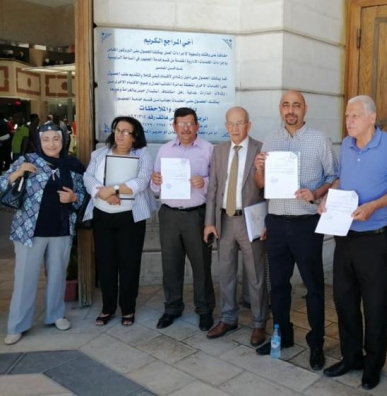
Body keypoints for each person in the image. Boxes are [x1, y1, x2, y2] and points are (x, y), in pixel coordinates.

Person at [320, 95, 387, 390]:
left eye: (355, 116)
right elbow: (341, 180)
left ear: (372, 118)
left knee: (375, 305)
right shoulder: (346, 145)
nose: (349, 121)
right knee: (345, 301)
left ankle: (373, 365)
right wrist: (328, 198)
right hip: (345, 235)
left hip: (374, 238)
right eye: (347, 116)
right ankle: (351, 358)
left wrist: (374, 205)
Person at [253, 90, 338, 370]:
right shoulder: (270, 140)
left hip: (306, 224)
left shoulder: (319, 139)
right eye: (286, 105)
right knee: (278, 285)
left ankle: (316, 343)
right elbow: (261, 184)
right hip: (277, 223)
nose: (291, 110)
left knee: (313, 287)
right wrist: (259, 168)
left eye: (296, 105)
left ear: (305, 109)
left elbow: (334, 176)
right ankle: (283, 335)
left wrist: (316, 193)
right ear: (280, 109)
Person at [1, 123, 86, 345]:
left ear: (64, 140)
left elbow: (83, 194)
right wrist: (17, 172)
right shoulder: (27, 160)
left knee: (58, 276)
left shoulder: (73, 165)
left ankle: (55, 315)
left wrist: (74, 198)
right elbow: (2, 185)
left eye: (56, 139)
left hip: (61, 229)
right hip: (29, 231)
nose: (51, 144)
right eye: (46, 139)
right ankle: (17, 325)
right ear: (39, 141)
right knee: (24, 279)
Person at [204, 107, 269, 346]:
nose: (234, 128)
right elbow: (213, 189)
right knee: (226, 273)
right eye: (230, 124)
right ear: (225, 126)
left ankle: (259, 323)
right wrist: (209, 222)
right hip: (224, 220)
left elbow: (268, 188)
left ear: (248, 125)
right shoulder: (219, 150)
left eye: (239, 123)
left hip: (250, 220)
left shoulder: (261, 149)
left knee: (256, 275)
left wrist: (267, 222)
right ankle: (228, 318)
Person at [83, 116, 156, 327]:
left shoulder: (142, 155)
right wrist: (102, 193)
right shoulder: (99, 153)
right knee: (106, 263)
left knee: (129, 264)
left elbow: (141, 182)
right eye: (117, 130)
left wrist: (113, 190)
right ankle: (107, 307)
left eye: (125, 132)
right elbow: (88, 178)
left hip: (130, 218)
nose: (120, 135)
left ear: (135, 137)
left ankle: (128, 308)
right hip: (102, 215)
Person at [151, 107, 216, 331]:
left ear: (197, 126)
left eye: (190, 124)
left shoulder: (208, 149)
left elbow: (218, 182)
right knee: (170, 265)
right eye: (181, 124)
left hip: (197, 215)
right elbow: (155, 187)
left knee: (201, 266)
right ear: (174, 126)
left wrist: (204, 182)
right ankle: (172, 308)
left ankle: (205, 310)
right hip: (169, 215)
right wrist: (155, 181)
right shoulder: (165, 150)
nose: (186, 128)